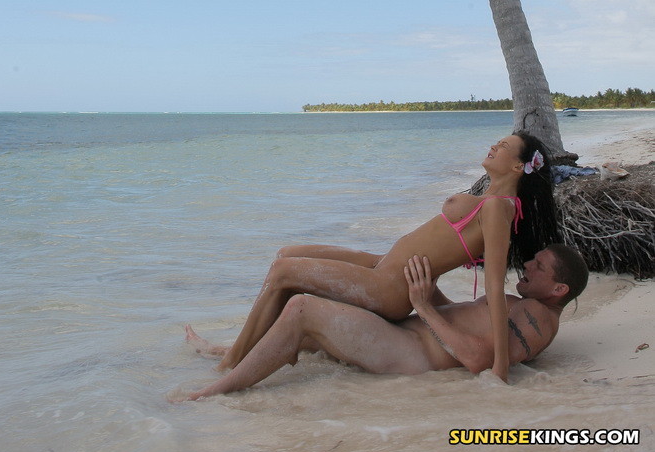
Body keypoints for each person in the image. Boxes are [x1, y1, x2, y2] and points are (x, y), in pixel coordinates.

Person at [198, 132, 559, 383]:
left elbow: (495, 286)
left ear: (518, 168)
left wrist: (500, 369)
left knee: (282, 271)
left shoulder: (499, 208)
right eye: (497, 141)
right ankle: (250, 345)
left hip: (389, 287)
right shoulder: (490, 200)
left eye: (504, 146)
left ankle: (231, 361)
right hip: (381, 265)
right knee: (288, 254)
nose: (494, 146)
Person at [176, 244, 588, 399]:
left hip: (410, 354)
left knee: (303, 308)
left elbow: (481, 359)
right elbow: (465, 321)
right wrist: (430, 287)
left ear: (559, 291)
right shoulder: (523, 303)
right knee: (312, 315)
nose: (528, 266)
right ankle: (227, 352)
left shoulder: (538, 321)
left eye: (540, 267)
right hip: (403, 335)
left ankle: (215, 390)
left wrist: (423, 309)